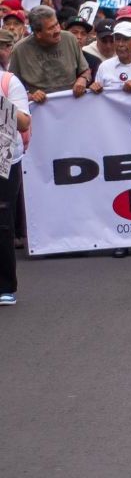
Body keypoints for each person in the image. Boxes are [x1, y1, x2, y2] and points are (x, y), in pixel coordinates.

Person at [8, 5, 90, 102]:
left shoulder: (70, 39)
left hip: (71, 103)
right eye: (51, 28)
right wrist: (30, 96)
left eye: (57, 24)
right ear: (38, 33)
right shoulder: (19, 50)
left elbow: (85, 70)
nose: (57, 30)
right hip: (39, 109)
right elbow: (11, 87)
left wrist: (83, 79)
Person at [0, 62, 31, 306]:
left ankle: (5, 286)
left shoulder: (9, 82)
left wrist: (1, 102)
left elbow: (23, 123)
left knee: (2, 222)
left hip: (5, 158)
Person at [90, 21, 131, 93]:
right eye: (117, 39)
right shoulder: (105, 66)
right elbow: (97, 97)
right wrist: (94, 89)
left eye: (125, 39)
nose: (120, 44)